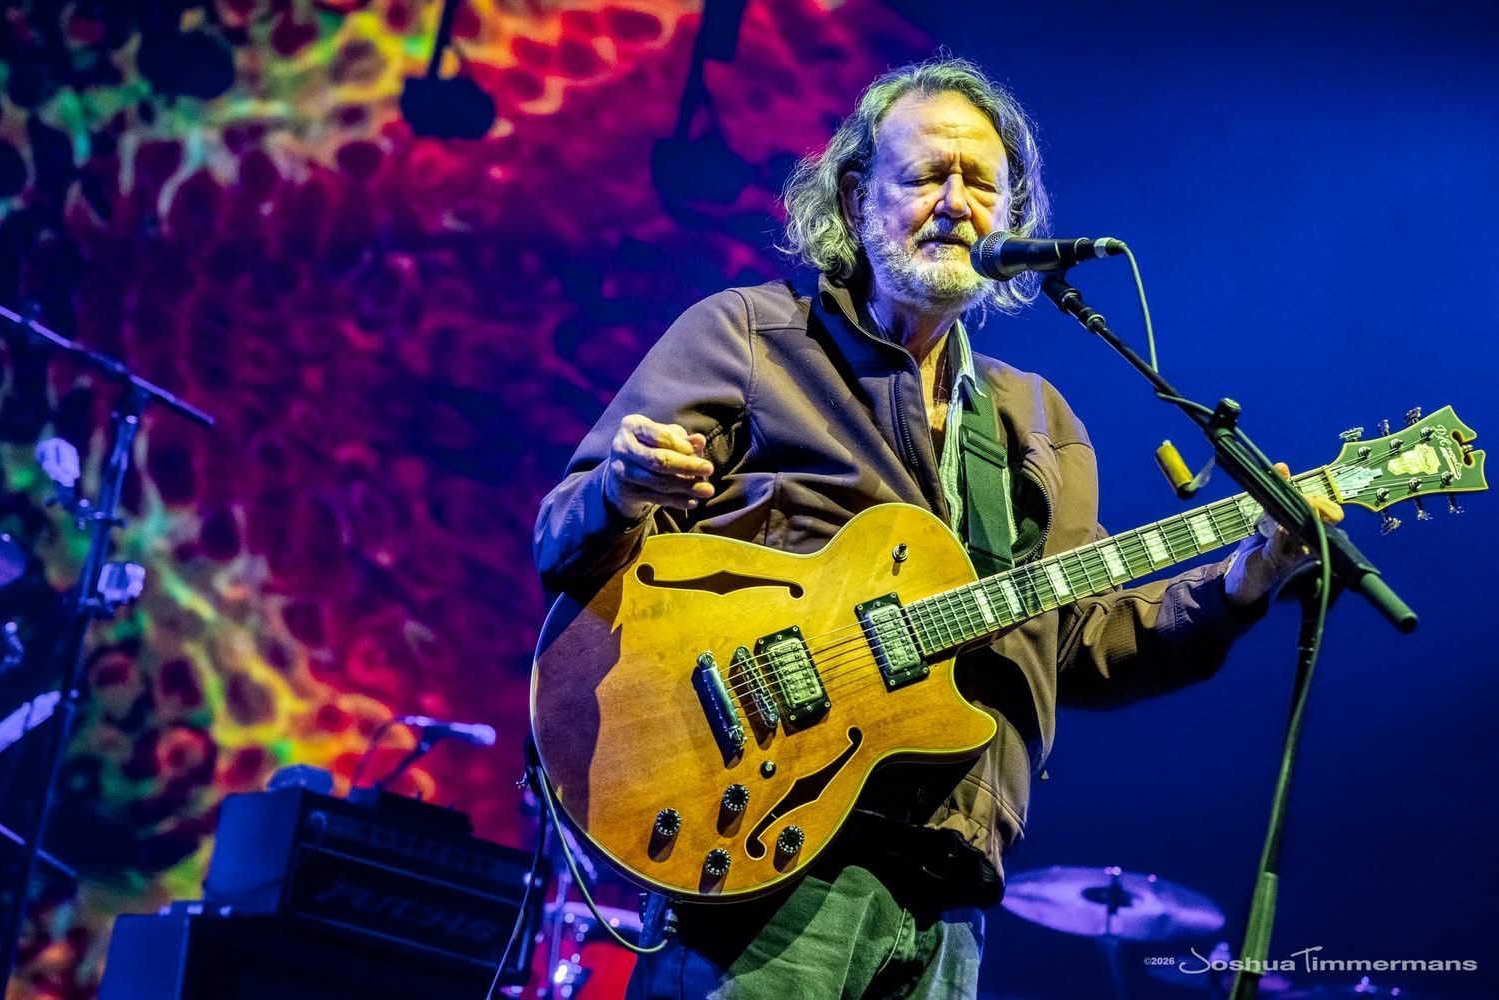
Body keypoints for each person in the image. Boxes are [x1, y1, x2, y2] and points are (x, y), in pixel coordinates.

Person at [533, 57, 1341, 1000]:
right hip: (764, 845)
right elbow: (564, 536)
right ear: (854, 197)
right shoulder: (749, 337)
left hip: (948, 885)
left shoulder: (1037, 421)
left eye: (983, 185)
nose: (956, 203)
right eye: (927, 176)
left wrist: (1246, 580)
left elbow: (1076, 643)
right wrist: (624, 488)